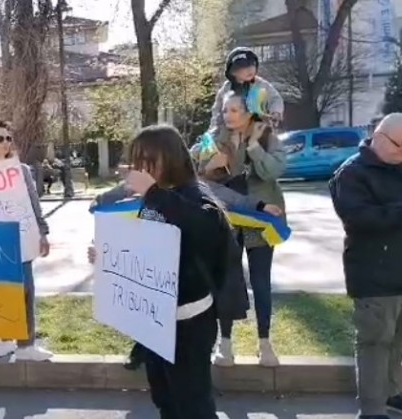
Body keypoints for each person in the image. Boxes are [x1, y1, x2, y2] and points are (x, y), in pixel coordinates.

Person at [119, 124, 232, 418]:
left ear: (167, 158)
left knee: (193, 404)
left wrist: (153, 192)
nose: (139, 167)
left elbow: (203, 227)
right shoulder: (157, 197)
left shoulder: (193, 194)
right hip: (158, 320)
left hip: (190, 321)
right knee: (166, 398)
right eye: (136, 159)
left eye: (146, 159)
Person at [329, 113, 402, 419]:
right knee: (375, 343)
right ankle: (371, 410)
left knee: (399, 338)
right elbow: (359, 219)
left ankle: (391, 393)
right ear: (379, 137)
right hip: (374, 274)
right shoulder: (352, 173)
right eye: (401, 145)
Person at [199, 91, 286, 368]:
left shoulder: (267, 136)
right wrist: (206, 165)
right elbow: (194, 171)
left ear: (249, 112)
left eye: (235, 110)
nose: (228, 116)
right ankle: (224, 344)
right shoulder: (214, 138)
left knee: (261, 281)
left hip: (262, 219)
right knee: (226, 277)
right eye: (225, 110)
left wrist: (253, 147)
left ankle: (265, 342)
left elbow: (274, 171)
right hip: (227, 217)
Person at [0, 120, 53, 362]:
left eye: (8, 138)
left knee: (26, 290)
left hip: (23, 237)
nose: (6, 143)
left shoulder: (21, 170)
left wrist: (43, 232)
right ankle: (4, 340)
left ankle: (27, 344)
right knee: (0, 291)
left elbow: (33, 203)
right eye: (0, 139)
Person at [209, 47, 284, 133]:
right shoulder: (226, 90)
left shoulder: (260, 84)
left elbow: (275, 98)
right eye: (245, 67)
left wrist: (276, 112)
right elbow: (217, 112)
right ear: (232, 71)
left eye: (252, 65)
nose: (250, 69)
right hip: (233, 134)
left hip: (258, 132)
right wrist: (213, 131)